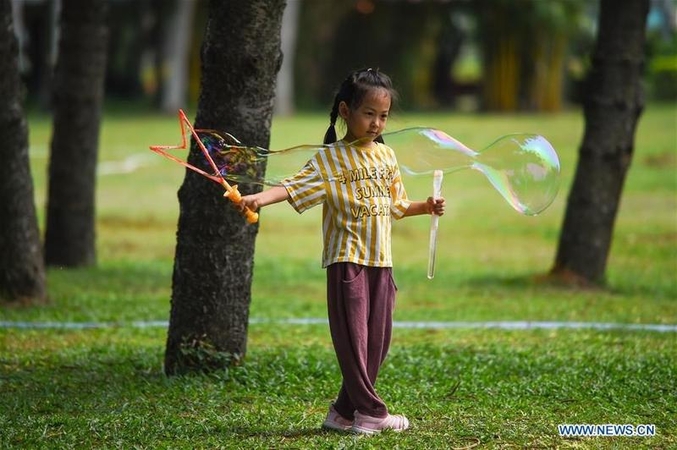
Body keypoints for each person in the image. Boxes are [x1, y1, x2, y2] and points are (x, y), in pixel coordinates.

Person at [239, 68, 445, 435]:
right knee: (353, 341)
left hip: (382, 260)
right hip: (347, 259)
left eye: (383, 116)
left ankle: (342, 413)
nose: (377, 123)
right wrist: (258, 198)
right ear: (346, 111)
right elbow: (290, 187)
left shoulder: (386, 157)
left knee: (376, 344)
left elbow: (396, 204)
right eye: (369, 114)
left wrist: (425, 206)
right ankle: (370, 413)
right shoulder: (329, 159)